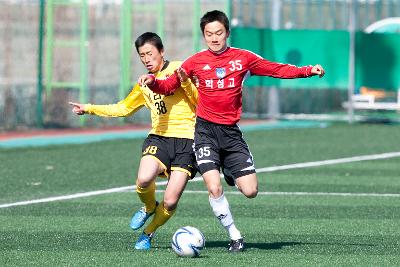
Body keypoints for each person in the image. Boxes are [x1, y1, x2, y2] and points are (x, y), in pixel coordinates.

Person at [138, 10, 325, 252]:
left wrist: (307, 70)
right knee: (213, 187)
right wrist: (154, 82)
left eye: (218, 33)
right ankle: (235, 235)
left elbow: (275, 69)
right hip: (204, 132)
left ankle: (228, 167)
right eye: (208, 34)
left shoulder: (243, 58)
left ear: (227, 33)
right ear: (203, 36)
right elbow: (168, 85)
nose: (214, 38)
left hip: (231, 134)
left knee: (250, 191)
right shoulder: (194, 62)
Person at [69, 32, 198, 250]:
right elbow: (123, 108)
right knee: (144, 179)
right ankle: (148, 207)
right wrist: (89, 108)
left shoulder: (179, 70)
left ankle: (148, 233)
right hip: (159, 137)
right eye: (142, 56)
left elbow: (198, 101)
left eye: (150, 53)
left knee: (170, 201)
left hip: (187, 141)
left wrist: (185, 81)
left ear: (161, 52)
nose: (147, 59)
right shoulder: (143, 83)